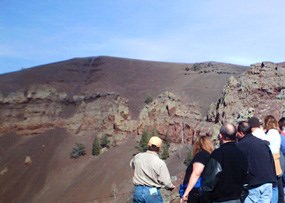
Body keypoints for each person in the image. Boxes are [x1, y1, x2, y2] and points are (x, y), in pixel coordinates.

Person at [202, 123, 248, 203]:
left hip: (220, 199)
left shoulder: (218, 154)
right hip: (237, 198)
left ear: (220, 136)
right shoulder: (242, 154)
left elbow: (210, 180)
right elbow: (246, 178)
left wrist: (206, 197)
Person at [236, 121, 276, 203]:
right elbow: (271, 161)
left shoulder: (241, 146)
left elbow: (240, 166)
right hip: (268, 181)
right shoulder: (262, 143)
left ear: (241, 133)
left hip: (255, 183)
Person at [130, 136, 175, 203]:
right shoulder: (159, 162)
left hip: (138, 191)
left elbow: (132, 165)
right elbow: (166, 181)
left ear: (148, 145)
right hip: (152, 191)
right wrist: (171, 186)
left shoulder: (138, 156)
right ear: (159, 148)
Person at [181, 136, 214, 203]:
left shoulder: (201, 155)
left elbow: (196, 173)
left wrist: (186, 193)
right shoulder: (210, 157)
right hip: (205, 192)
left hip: (195, 191)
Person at [264, 115, 284, 203]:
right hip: (279, 160)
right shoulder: (278, 134)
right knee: (279, 185)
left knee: (273, 187)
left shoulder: (269, 134)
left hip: (271, 161)